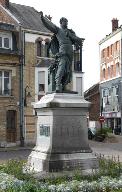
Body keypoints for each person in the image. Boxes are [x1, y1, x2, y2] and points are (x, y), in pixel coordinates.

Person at [40, 12, 82, 92]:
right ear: (61, 23)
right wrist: (42, 18)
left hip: (70, 50)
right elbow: (49, 26)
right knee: (62, 67)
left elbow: (78, 40)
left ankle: (64, 85)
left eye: (67, 22)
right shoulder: (58, 30)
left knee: (68, 70)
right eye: (65, 22)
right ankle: (58, 84)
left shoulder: (70, 32)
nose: (66, 23)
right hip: (62, 50)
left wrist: (72, 37)